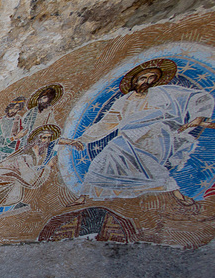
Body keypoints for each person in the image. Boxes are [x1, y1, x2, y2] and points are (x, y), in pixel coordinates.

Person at [67, 59, 215, 206]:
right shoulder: (124, 101)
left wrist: (199, 117)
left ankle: (176, 193)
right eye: (143, 78)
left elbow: (198, 97)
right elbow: (106, 124)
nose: (147, 81)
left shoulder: (162, 93)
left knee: (138, 159)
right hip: (129, 136)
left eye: (151, 78)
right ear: (135, 81)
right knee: (102, 160)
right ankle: (84, 197)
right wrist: (83, 139)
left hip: (156, 135)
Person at [0, 125, 73, 212]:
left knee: (16, 181)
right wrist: (48, 167)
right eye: (44, 138)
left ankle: (0, 206)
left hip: (8, 177)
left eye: (49, 138)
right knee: (15, 182)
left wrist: (71, 142)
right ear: (36, 139)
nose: (47, 141)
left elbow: (53, 144)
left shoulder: (37, 153)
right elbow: (32, 181)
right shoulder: (26, 155)